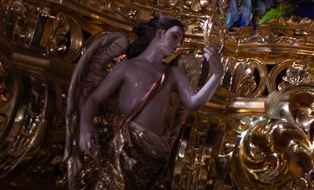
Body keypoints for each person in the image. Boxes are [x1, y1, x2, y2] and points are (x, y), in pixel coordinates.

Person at [71, 16, 221, 189]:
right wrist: (85, 125)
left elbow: (194, 103)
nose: (177, 45)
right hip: (125, 145)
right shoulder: (127, 67)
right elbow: (95, 98)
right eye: (175, 36)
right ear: (159, 33)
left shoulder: (174, 74)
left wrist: (217, 74)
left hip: (155, 152)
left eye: (180, 40)